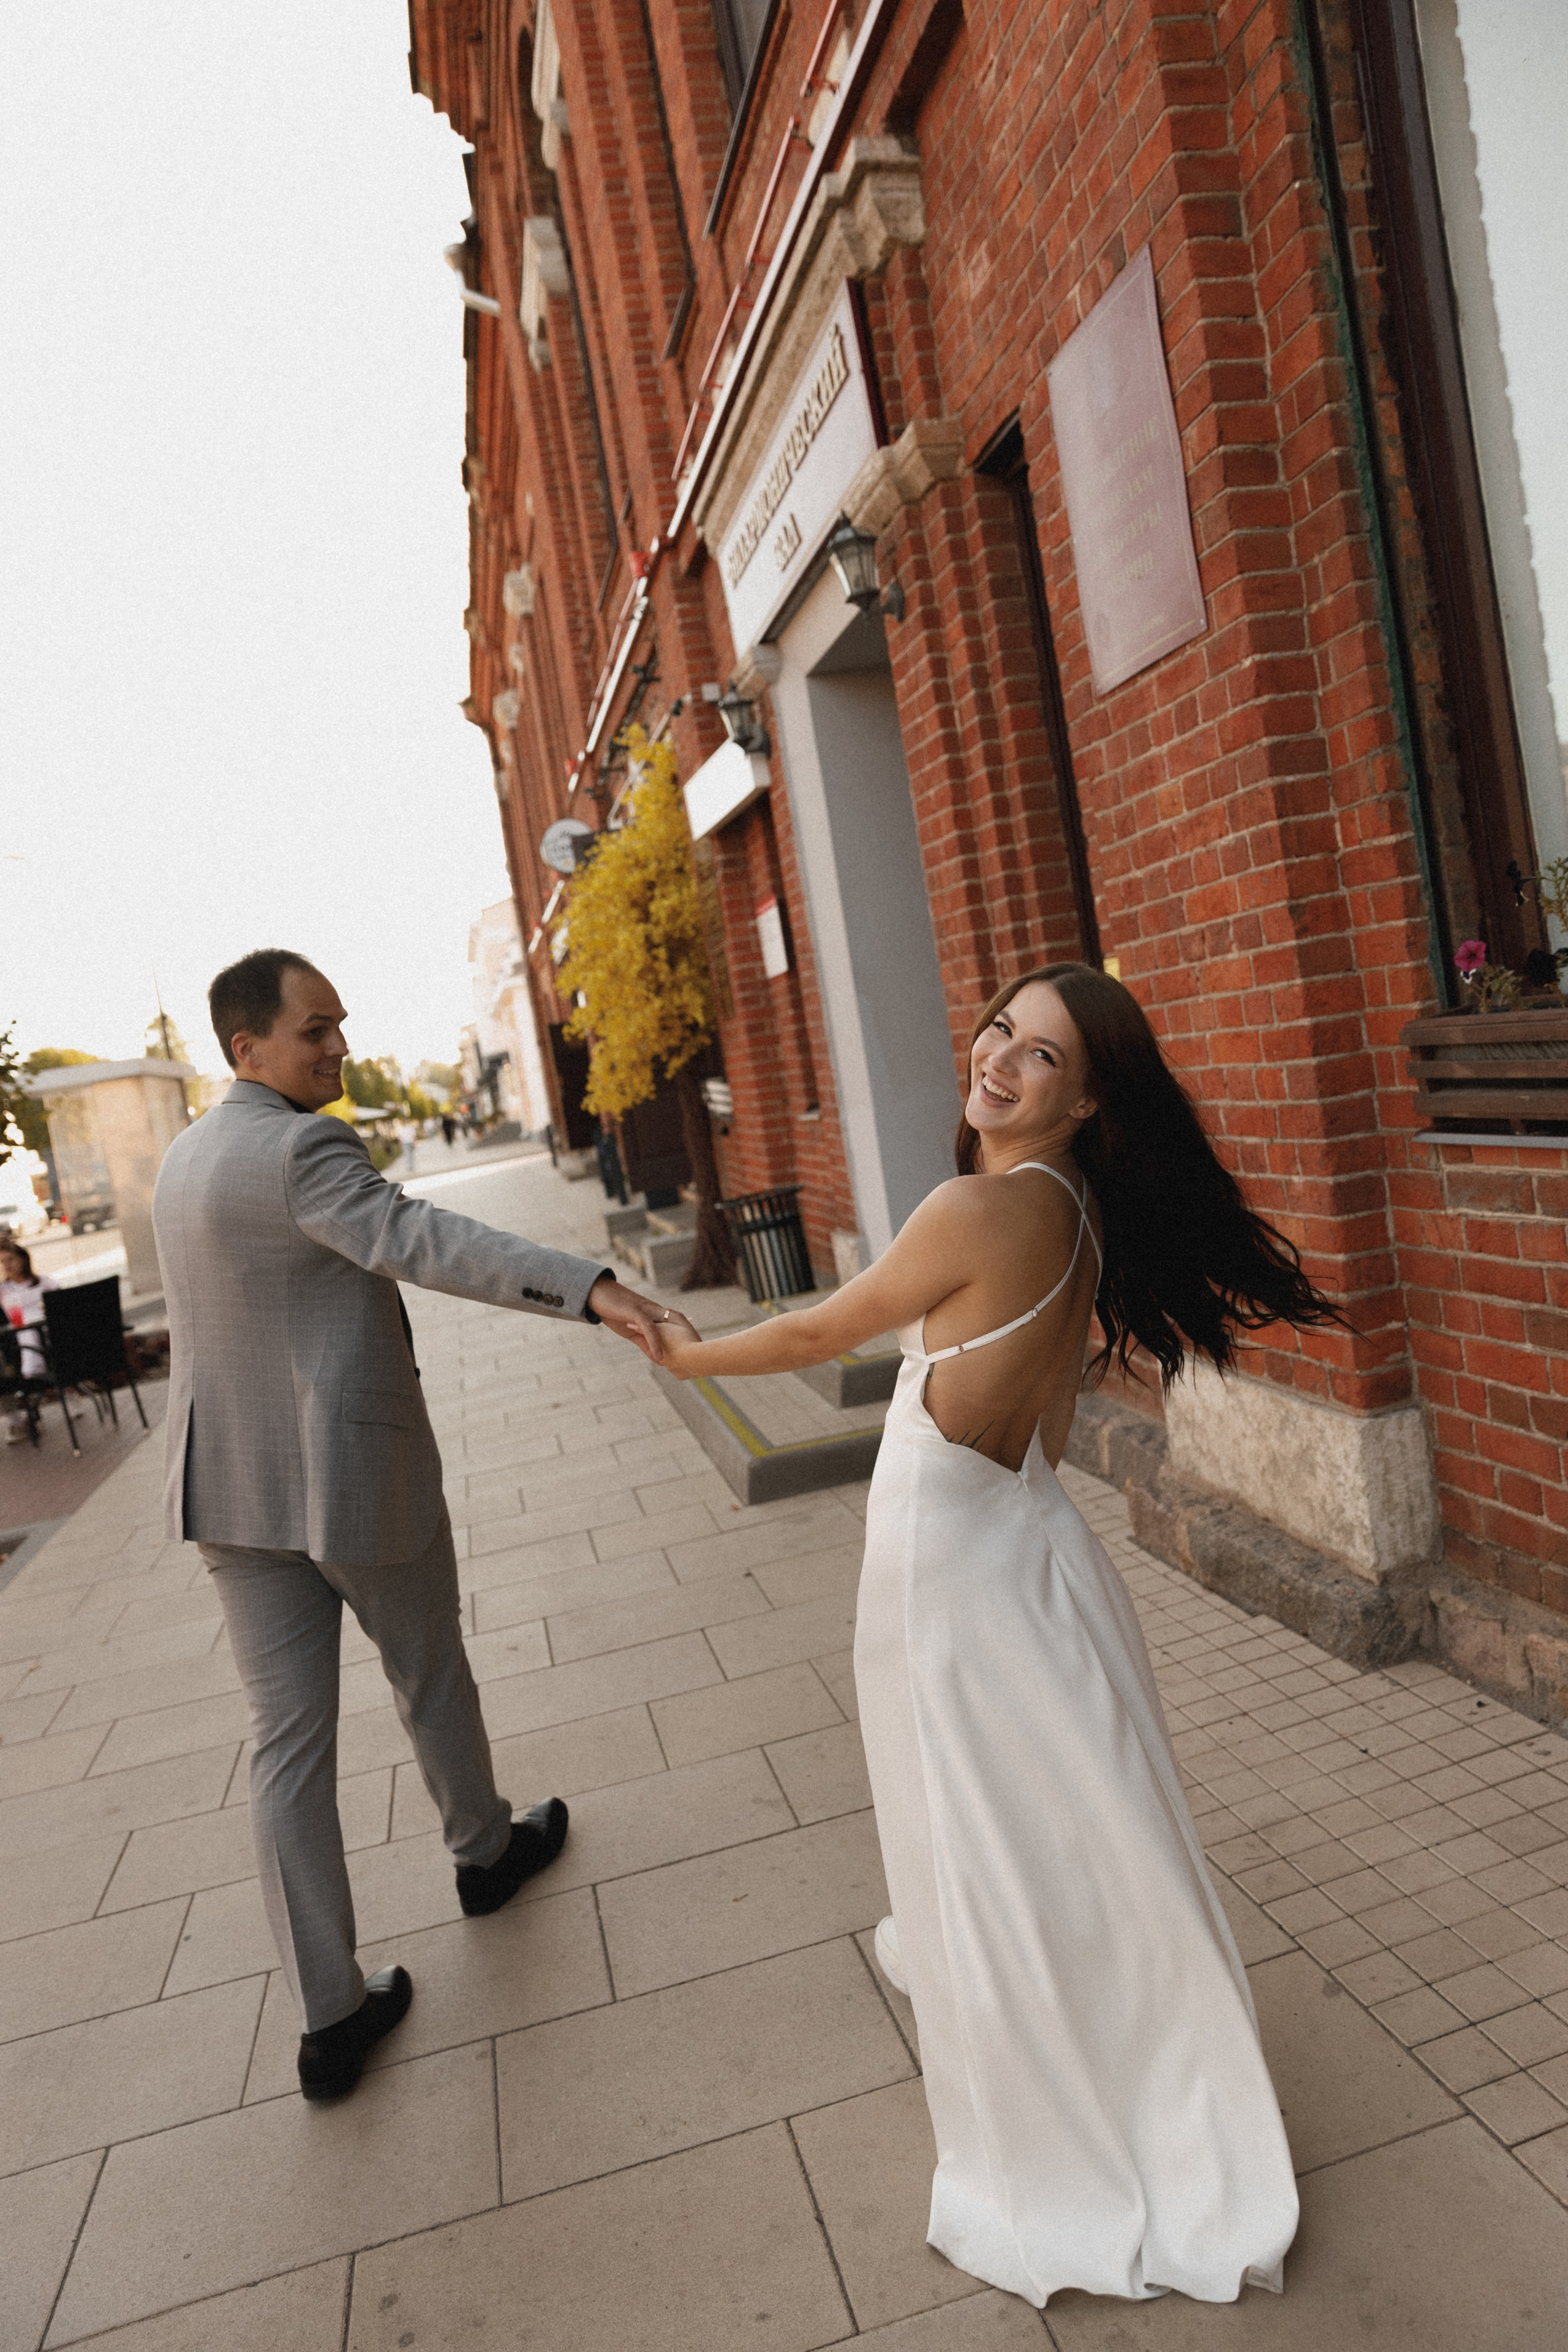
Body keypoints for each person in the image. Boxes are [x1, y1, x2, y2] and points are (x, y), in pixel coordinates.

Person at [655, 963, 1346, 2309]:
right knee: (1061, 1831)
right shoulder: (1071, 1212)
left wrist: (684, 1357)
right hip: (1025, 1547)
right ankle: (1126, 2058)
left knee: (980, 1835)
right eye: (999, 1031)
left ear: (1085, 1100)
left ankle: (1053, 2122)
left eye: (1040, 1055)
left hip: (951, 1572)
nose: (998, 1060)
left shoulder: (975, 1206)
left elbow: (828, 1326)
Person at [153, 949, 674, 2103]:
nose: (339, 1045)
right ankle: (484, 1855)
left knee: (284, 1748)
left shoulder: (183, 1158)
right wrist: (591, 1288)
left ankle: (330, 2019)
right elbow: (423, 1240)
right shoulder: (303, 1147)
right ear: (248, 1050)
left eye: (339, 1023)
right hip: (347, 1477)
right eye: (314, 1030)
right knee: (428, 1672)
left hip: (229, 1494)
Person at [1, 1240, 57, 1441]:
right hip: (15, 1344)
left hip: (52, 1337)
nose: (7, 1266)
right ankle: (17, 1420)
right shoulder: (3, 1290)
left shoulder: (45, 1283)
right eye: (2, 1262)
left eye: (10, 1260)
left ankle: (43, 1377)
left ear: (23, 1259)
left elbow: (64, 1309)